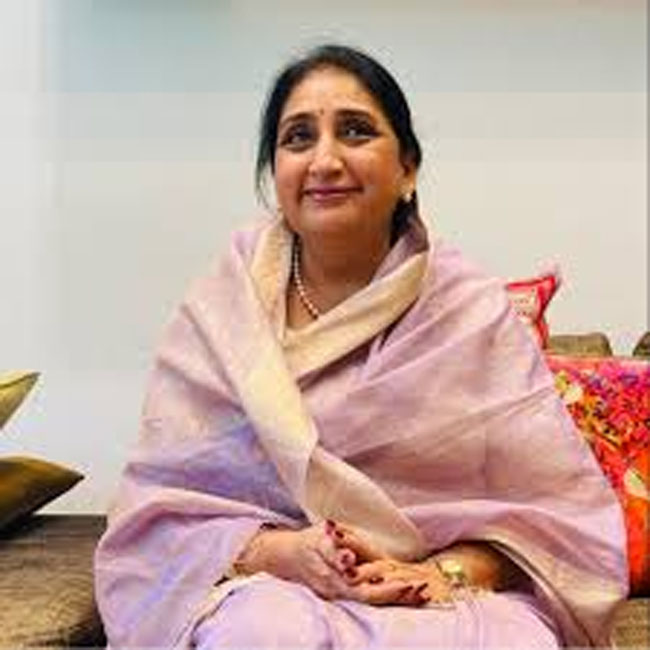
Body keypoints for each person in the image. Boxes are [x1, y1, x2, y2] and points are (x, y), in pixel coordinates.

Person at [95, 44, 627, 648]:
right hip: (274, 589)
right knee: (263, 633)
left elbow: (554, 522)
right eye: (298, 138)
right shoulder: (222, 311)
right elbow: (157, 518)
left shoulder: (470, 313)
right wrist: (282, 554)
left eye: (355, 131)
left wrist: (440, 573)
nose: (325, 160)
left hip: (436, 592)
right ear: (274, 173)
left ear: (408, 169)